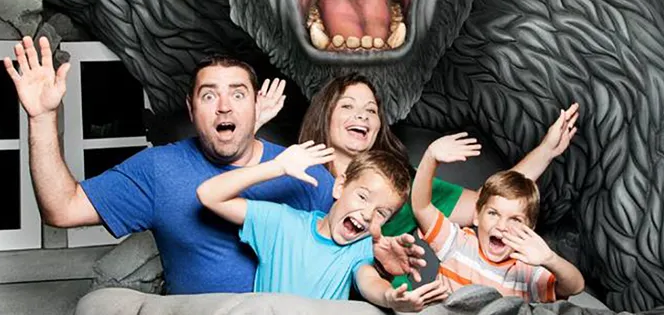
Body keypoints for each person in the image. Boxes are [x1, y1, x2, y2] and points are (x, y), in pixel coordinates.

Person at [2, 36, 423, 295]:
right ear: (191, 107)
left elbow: (343, 237)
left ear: (256, 104)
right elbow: (62, 209)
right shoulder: (157, 169)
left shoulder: (304, 172)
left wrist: (375, 250)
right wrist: (41, 119)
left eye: (238, 94)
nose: (224, 105)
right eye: (209, 95)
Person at [289, 74, 580, 288]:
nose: (362, 116)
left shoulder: (405, 183)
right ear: (324, 115)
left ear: (379, 126)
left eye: (371, 111)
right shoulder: (294, 172)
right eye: (348, 106)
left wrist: (546, 151)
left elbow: (487, 204)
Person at [197, 147, 448, 311]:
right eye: (362, 197)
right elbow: (208, 195)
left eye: (382, 213)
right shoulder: (282, 223)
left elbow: (369, 281)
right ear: (340, 187)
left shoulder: (359, 247)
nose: (368, 214)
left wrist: (391, 298)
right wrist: (278, 167)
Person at [412, 135, 585, 301]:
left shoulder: (526, 272)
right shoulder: (458, 243)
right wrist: (431, 157)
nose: (502, 226)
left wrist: (550, 259)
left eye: (515, 220)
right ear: (477, 216)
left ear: (529, 229)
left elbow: (575, 287)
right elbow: (422, 207)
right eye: (493, 213)